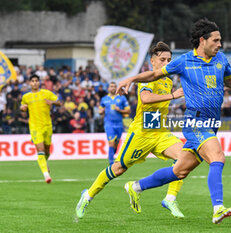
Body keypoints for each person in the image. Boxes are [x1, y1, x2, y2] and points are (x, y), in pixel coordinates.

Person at [116, 19, 231, 224]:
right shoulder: (184, 61)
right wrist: (130, 79)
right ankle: (218, 208)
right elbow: (155, 74)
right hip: (196, 122)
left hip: (212, 123)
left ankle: (136, 187)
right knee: (217, 157)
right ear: (203, 40)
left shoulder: (221, 59)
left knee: (179, 171)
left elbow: (229, 79)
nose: (220, 44)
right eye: (216, 40)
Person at [75, 42, 186, 219]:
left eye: (169, 60)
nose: (166, 63)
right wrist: (173, 96)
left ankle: (170, 198)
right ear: (153, 61)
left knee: (185, 159)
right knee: (118, 169)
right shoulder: (147, 79)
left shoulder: (168, 80)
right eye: (162, 59)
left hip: (160, 132)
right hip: (142, 133)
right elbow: (146, 98)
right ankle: (87, 195)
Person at [20, 74, 61, 183]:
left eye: (36, 81)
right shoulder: (26, 97)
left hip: (47, 126)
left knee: (47, 150)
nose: (34, 82)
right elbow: (22, 107)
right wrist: (23, 108)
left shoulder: (46, 93)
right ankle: (46, 175)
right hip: (35, 127)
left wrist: (52, 102)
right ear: (30, 83)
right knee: (41, 150)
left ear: (39, 82)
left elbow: (59, 102)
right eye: (32, 81)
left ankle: (44, 163)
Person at [99, 82, 130, 165]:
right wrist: (101, 111)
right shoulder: (104, 99)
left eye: (114, 87)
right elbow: (100, 110)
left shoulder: (122, 98)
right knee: (111, 143)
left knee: (116, 144)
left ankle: (112, 154)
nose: (113, 88)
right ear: (108, 88)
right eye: (111, 86)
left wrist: (120, 110)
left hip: (119, 124)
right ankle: (111, 163)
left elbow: (128, 110)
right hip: (109, 124)